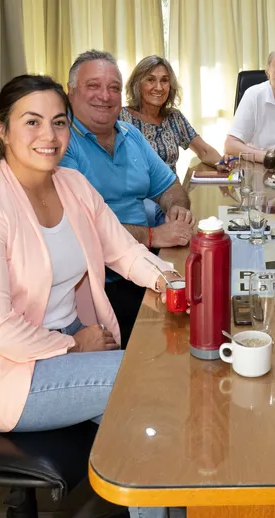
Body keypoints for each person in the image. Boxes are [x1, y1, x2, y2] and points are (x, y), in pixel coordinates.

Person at [0, 75, 180, 518]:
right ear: (2, 129)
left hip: (56, 346)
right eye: (31, 122)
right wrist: (74, 345)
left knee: (153, 423)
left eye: (58, 122)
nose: (48, 136)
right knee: (148, 385)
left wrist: (173, 284)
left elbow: (124, 250)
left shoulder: (72, 184)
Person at [60, 49, 195, 347]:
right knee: (172, 345)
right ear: (71, 93)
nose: (105, 96)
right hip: (100, 286)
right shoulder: (62, 145)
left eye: (113, 88)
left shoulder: (130, 135)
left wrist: (176, 212)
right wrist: (153, 235)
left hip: (143, 265)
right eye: (93, 86)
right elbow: (84, 229)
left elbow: (170, 185)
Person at [120, 55, 229, 175]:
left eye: (164, 80)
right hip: (136, 192)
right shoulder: (121, 118)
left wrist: (221, 162)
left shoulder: (174, 118)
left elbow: (203, 151)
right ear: (137, 84)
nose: (159, 87)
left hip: (172, 191)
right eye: (150, 80)